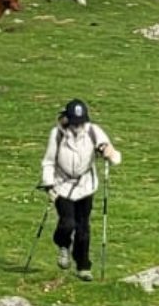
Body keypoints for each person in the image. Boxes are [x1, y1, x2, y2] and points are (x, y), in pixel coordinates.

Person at [39, 99, 120, 280]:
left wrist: (109, 152)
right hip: (62, 185)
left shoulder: (93, 131)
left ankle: (83, 266)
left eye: (81, 122)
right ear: (67, 119)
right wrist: (48, 185)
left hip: (86, 185)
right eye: (75, 122)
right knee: (67, 223)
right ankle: (63, 245)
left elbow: (112, 153)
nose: (78, 126)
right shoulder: (57, 134)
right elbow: (49, 162)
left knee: (83, 227)